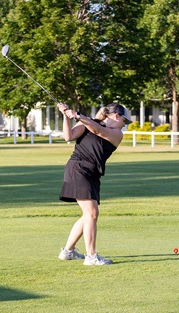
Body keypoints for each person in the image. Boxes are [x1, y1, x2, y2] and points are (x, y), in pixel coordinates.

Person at [57, 102, 132, 266]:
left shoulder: (117, 134)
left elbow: (98, 131)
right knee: (91, 214)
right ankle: (91, 256)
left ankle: (68, 251)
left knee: (88, 215)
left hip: (92, 174)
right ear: (116, 115)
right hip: (77, 168)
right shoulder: (86, 122)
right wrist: (66, 116)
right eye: (124, 121)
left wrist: (78, 116)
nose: (124, 125)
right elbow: (68, 137)